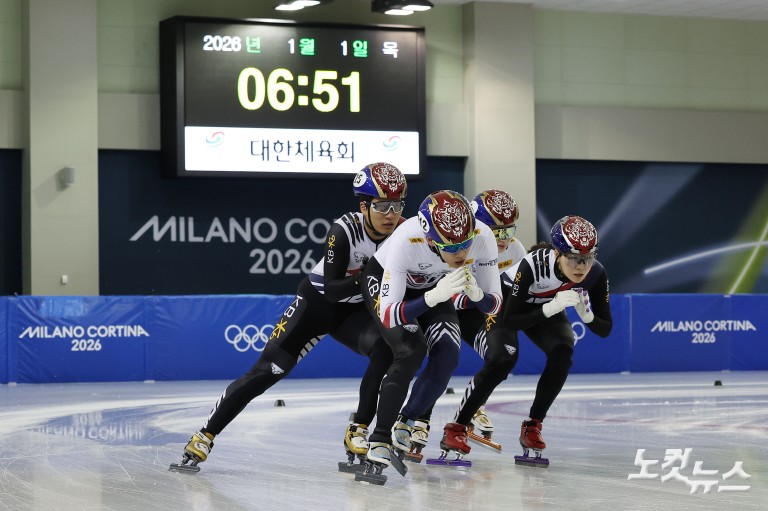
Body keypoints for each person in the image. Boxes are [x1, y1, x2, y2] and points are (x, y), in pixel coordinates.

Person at [169, 162, 407, 472]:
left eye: (397, 204)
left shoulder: (404, 232)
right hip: (318, 305)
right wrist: (368, 276)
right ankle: (205, 434)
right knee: (267, 371)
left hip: (354, 313)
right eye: (381, 205)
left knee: (386, 350)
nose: (391, 214)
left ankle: (359, 429)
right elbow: (333, 290)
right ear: (364, 205)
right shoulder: (344, 230)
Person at [354, 190, 502, 482]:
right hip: (391, 283)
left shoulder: (483, 237)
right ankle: (379, 438)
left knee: (448, 355)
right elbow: (389, 315)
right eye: (453, 246)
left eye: (466, 243)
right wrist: (433, 298)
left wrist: (476, 295)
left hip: (437, 286)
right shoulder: (405, 241)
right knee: (411, 350)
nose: (462, 253)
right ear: (432, 240)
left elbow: (494, 304)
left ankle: (406, 420)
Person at [405, 189, 527, 460]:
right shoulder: (456, 245)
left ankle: (472, 408)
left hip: (475, 311)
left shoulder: (515, 249)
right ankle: (421, 418)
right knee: (440, 360)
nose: (505, 240)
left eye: (510, 230)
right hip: (442, 309)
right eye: (498, 232)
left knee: (498, 357)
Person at [501, 215, 612, 464]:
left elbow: (605, 329)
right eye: (574, 257)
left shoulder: (596, 273)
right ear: (557, 254)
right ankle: (461, 422)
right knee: (501, 360)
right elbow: (510, 321)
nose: (581, 266)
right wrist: (550, 308)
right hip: (509, 304)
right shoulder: (532, 265)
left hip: (548, 306)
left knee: (563, 352)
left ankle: (533, 424)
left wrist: (588, 316)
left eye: (588, 257)